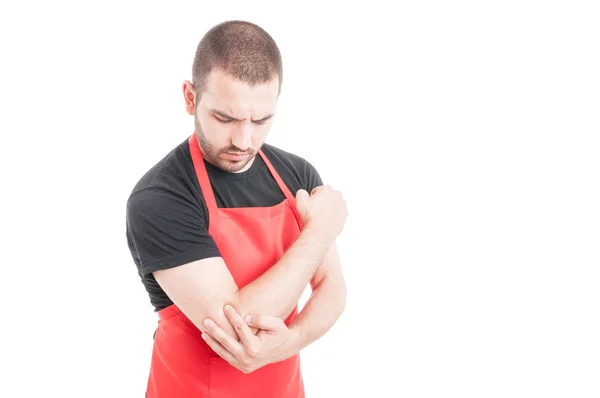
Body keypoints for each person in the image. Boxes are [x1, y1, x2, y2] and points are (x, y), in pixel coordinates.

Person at [125, 20, 348, 398]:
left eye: (261, 120)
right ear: (190, 97)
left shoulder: (296, 174)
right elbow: (235, 328)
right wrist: (321, 230)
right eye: (225, 119)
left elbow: (333, 288)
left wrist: (288, 342)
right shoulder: (159, 197)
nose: (244, 140)